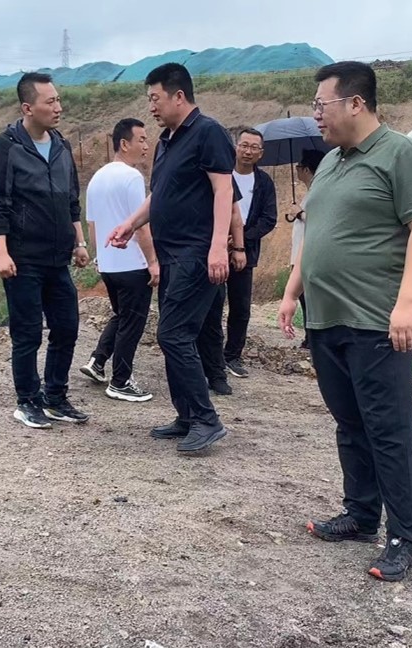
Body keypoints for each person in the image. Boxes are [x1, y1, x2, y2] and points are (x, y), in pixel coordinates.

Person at [278, 62, 412, 582]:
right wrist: (292, 291)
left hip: (375, 319)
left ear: (356, 103)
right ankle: (362, 514)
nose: (315, 115)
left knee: (388, 430)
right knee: (349, 423)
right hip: (326, 319)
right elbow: (316, 233)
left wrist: (408, 302)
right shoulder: (329, 162)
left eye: (320, 105)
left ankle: (403, 535)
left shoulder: (401, 153)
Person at [106, 63, 233, 453]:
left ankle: (206, 419)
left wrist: (218, 247)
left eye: (155, 98)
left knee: (173, 335)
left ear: (179, 96)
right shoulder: (166, 141)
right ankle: (188, 416)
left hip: (196, 253)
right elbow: (158, 195)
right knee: (176, 335)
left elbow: (223, 190)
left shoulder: (208, 132)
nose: (151, 107)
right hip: (171, 253)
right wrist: (130, 223)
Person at [0, 71, 90, 429]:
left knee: (67, 328)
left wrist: (79, 242)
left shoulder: (61, 145)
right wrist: (1, 252)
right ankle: (27, 401)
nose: (58, 107)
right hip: (23, 258)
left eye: (58, 100)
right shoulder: (6, 146)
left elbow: (70, 200)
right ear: (28, 108)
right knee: (27, 333)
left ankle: (55, 397)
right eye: (51, 101)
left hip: (58, 258)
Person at [79, 118, 157, 403]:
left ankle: (98, 361)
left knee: (122, 316)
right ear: (124, 144)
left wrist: (100, 256)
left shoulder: (97, 178)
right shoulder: (131, 177)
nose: (146, 146)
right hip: (132, 264)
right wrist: (153, 262)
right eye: (142, 139)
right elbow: (141, 225)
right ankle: (121, 381)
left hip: (109, 265)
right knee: (132, 323)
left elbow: (92, 224)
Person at [221, 127, 277, 378]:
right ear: (236, 147)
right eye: (244, 145)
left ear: (261, 153)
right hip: (216, 247)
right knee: (210, 305)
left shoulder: (264, 182)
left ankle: (232, 355)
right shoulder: (221, 174)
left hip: (246, 252)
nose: (248, 151)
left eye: (254, 147)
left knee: (241, 307)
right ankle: (209, 355)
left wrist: (242, 239)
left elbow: (269, 218)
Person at [198, 198, 247, 396]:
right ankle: (193, 374)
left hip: (213, 257)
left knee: (212, 319)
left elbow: (234, 212)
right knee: (183, 324)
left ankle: (216, 374)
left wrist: (239, 248)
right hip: (179, 256)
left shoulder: (222, 180)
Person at [290, 150, 325, 350]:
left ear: (306, 169)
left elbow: (321, 222)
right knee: (304, 298)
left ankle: (313, 338)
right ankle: (309, 337)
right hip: (299, 253)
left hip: (309, 254)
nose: (296, 170)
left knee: (309, 298)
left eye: (299, 167)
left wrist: (300, 214)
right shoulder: (310, 192)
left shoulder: (319, 193)